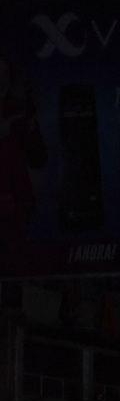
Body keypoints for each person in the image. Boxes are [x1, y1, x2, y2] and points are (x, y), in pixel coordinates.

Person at [0, 53, 48, 272]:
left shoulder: (19, 111)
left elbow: (38, 159)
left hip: (17, 201)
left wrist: (30, 128)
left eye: (4, 73)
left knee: (15, 262)